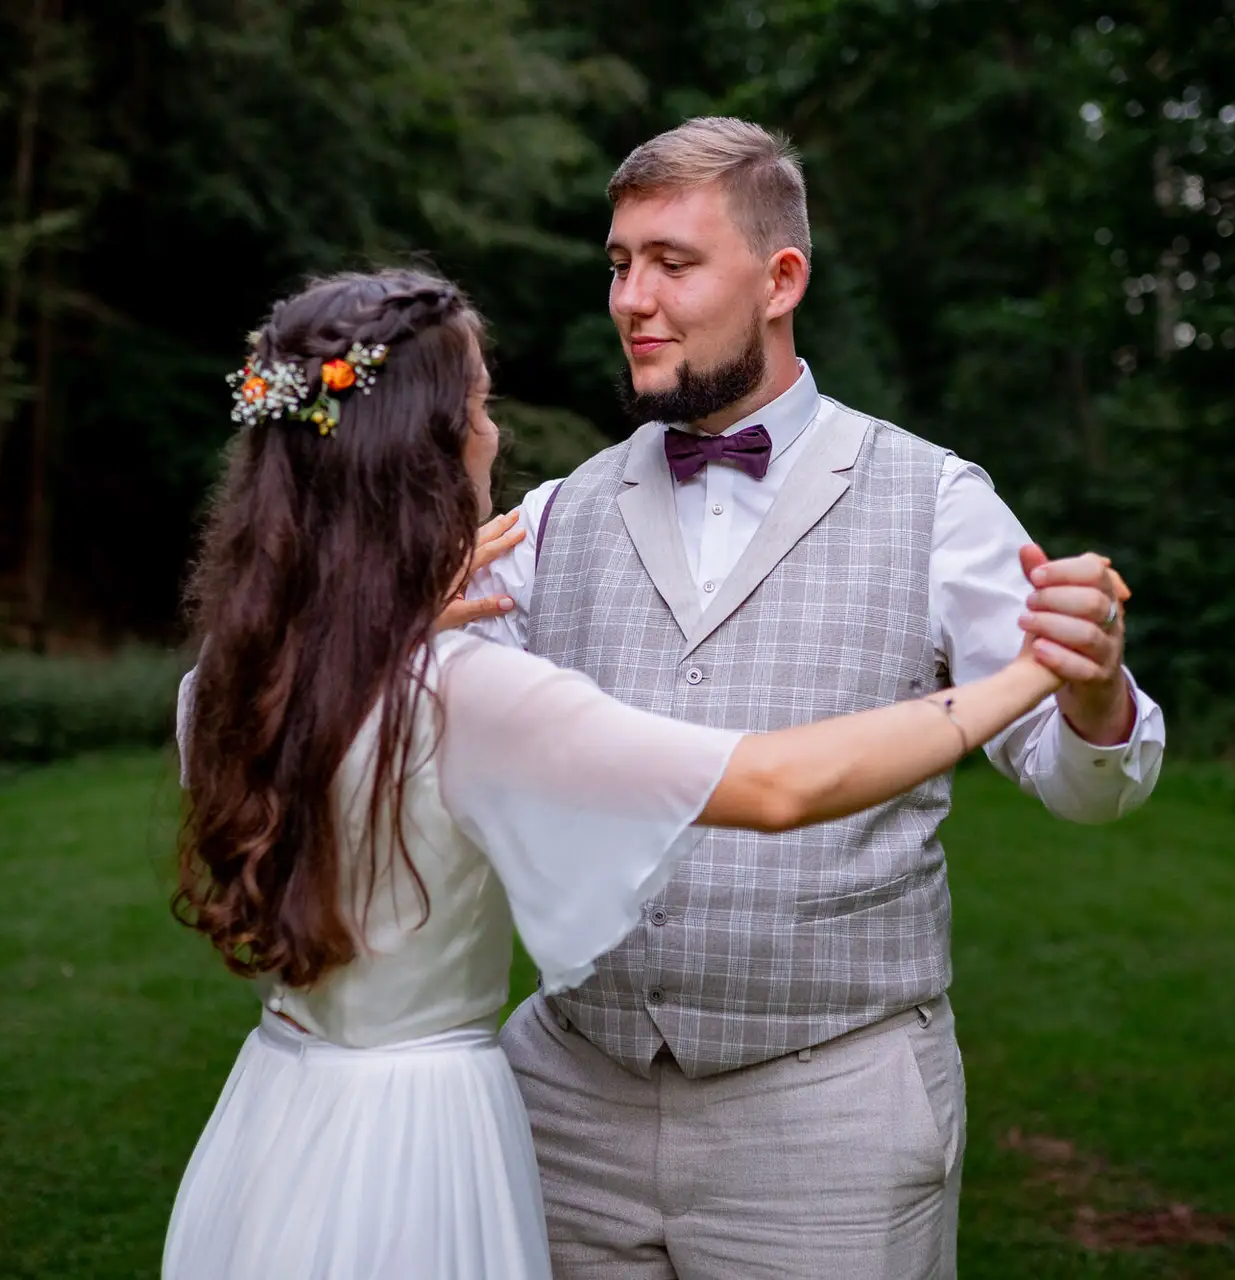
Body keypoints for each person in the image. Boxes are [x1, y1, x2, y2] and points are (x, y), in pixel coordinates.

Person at [162, 267, 1068, 1280]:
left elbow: (344, 677)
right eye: (479, 406)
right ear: (424, 454)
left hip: (273, 1128)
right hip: (425, 1147)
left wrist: (394, 609)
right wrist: (1029, 673)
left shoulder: (228, 688)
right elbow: (775, 784)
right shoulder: (468, 692)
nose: (493, 433)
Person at [462, 117, 1167, 1278]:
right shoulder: (552, 517)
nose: (633, 298)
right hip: (565, 1107)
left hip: (829, 1118)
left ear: (781, 277)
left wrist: (1091, 690)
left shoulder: (934, 500)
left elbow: (1090, 781)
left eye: (673, 263)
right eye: (619, 263)